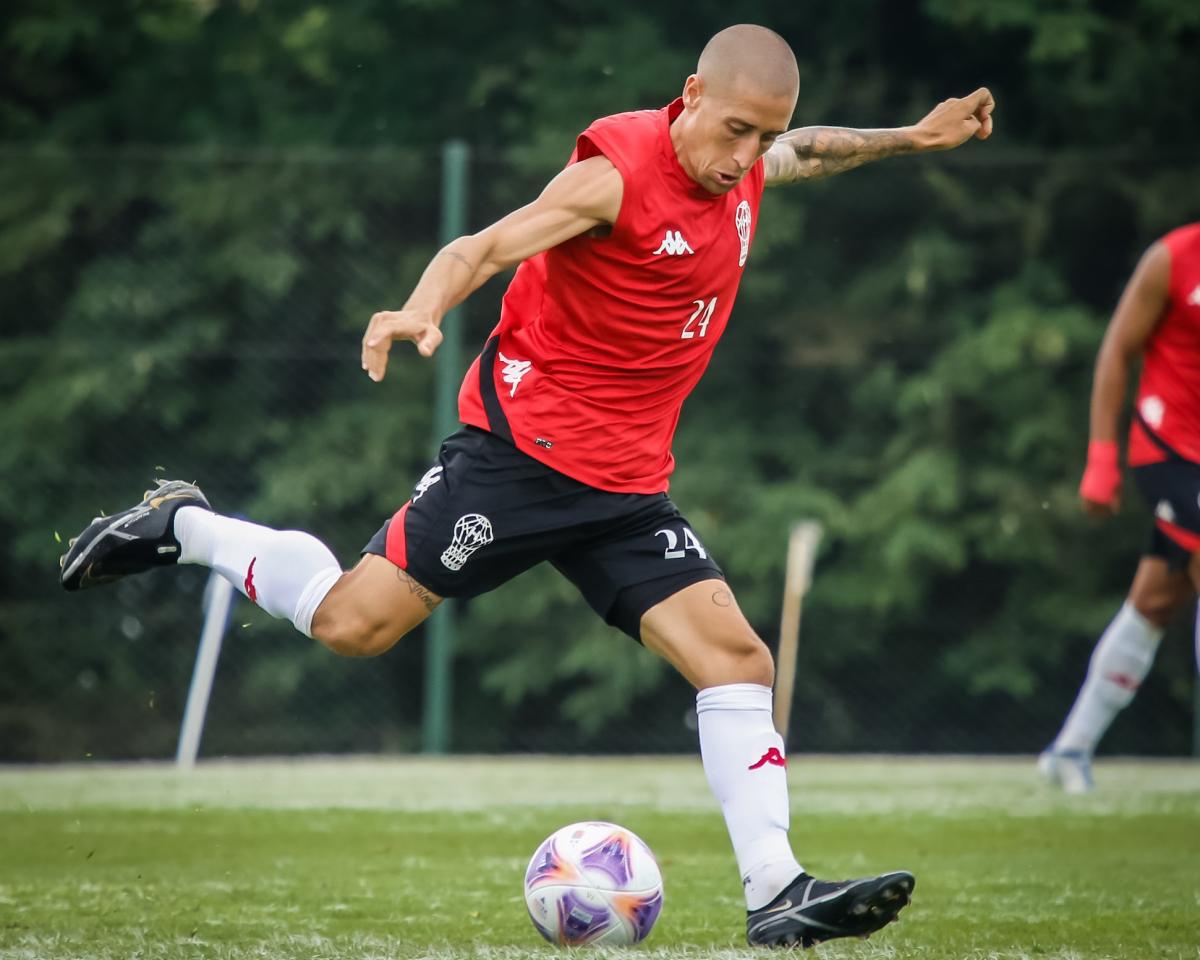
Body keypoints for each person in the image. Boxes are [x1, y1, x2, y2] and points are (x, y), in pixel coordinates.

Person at [60, 24, 994, 948]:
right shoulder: (615, 178)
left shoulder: (743, 160)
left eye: (763, 135)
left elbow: (804, 153)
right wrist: (422, 308)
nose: (745, 155)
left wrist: (914, 137)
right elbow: (483, 246)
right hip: (520, 462)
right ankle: (187, 527)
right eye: (735, 130)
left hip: (626, 488)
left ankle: (778, 892)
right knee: (353, 624)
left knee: (739, 662)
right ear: (692, 96)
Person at [1040, 222, 1200, 795]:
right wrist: (1102, 458)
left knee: (1157, 599)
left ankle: (1070, 749)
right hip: (1170, 449)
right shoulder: (1173, 259)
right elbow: (1116, 349)